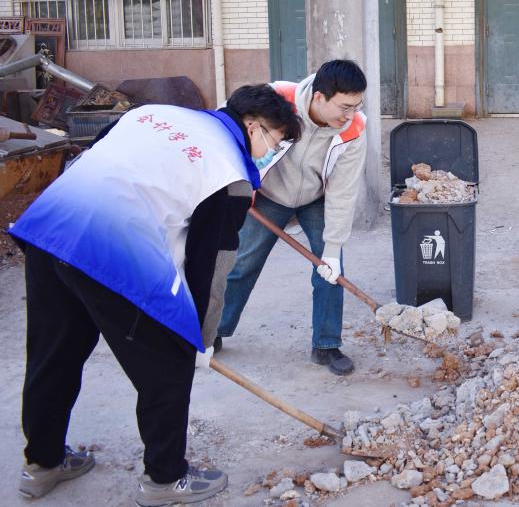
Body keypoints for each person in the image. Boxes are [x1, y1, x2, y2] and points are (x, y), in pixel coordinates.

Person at [9, 85, 302, 504]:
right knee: (169, 364)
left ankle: (43, 463)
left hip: (50, 224)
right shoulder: (228, 173)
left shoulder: (152, 113)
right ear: (254, 126)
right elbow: (211, 267)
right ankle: (166, 481)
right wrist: (200, 338)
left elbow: (100, 159)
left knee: (52, 355)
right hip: (112, 248)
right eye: (276, 141)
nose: (271, 153)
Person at [216, 59, 368, 376]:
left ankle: (327, 345)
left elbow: (344, 191)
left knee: (329, 269)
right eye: (344, 106)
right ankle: (214, 331)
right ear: (318, 98)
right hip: (270, 194)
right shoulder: (278, 97)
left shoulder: (354, 129)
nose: (350, 114)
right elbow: (228, 122)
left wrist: (333, 245)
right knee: (242, 263)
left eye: (356, 106)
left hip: (316, 198)